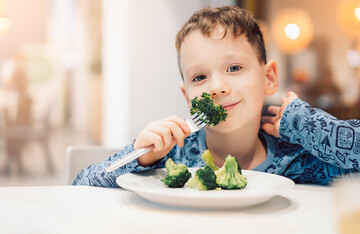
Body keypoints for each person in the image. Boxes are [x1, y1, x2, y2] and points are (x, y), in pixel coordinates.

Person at [73, 6, 359, 187]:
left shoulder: (296, 160)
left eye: (234, 68)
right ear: (188, 97)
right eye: (200, 77)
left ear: (269, 78)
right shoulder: (172, 157)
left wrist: (308, 126)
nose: (216, 87)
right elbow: (80, 185)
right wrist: (141, 156)